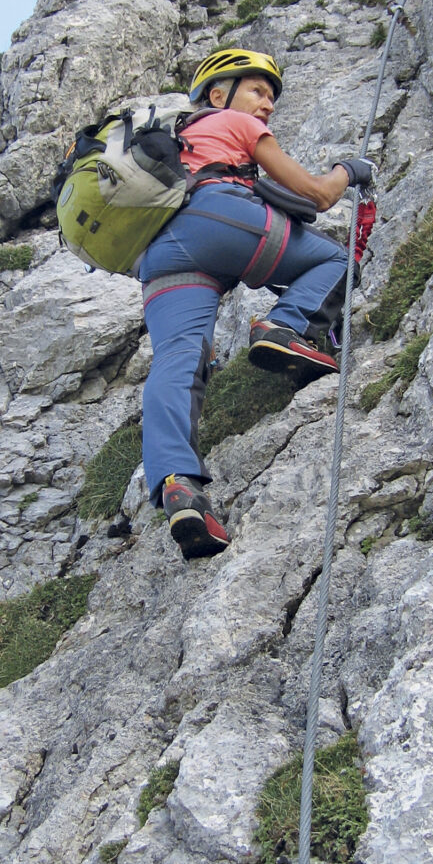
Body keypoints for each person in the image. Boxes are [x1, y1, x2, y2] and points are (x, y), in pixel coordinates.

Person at [138, 48, 374, 559]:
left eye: (270, 97)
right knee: (334, 261)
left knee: (177, 362)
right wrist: (349, 170)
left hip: (159, 256)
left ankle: (178, 484)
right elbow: (316, 195)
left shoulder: (172, 147)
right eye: (257, 91)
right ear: (218, 94)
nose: (266, 105)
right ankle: (284, 327)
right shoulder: (231, 122)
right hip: (219, 219)